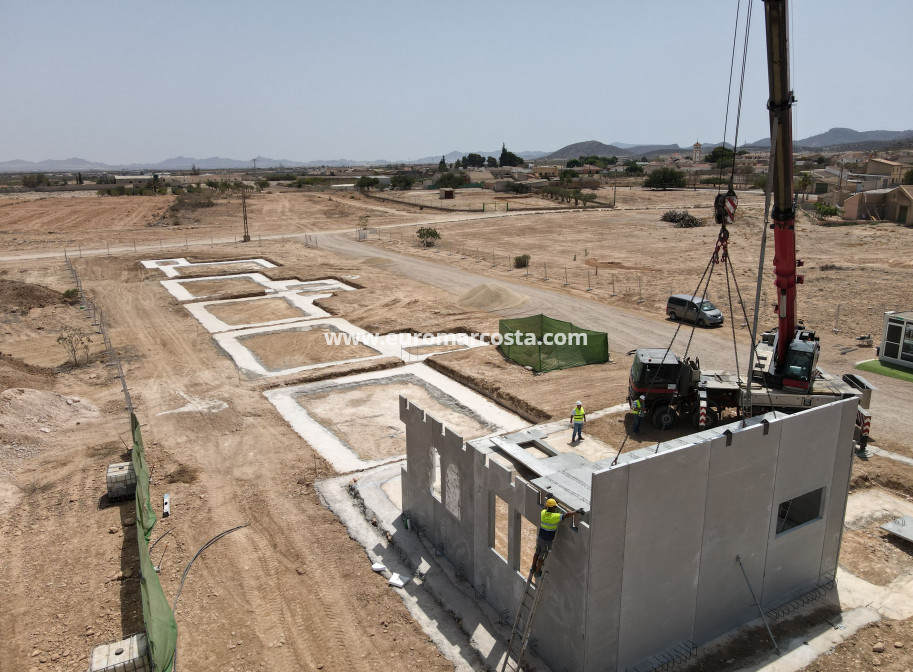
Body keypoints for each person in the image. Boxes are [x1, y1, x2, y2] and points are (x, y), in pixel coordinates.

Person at [530, 498, 580, 578]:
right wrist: (576, 512)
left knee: (537, 553)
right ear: (553, 508)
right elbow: (566, 515)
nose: (555, 508)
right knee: (542, 557)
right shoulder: (554, 517)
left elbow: (544, 507)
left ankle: (533, 568)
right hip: (546, 541)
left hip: (540, 537)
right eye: (555, 507)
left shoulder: (543, 513)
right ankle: (537, 571)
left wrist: (548, 500)